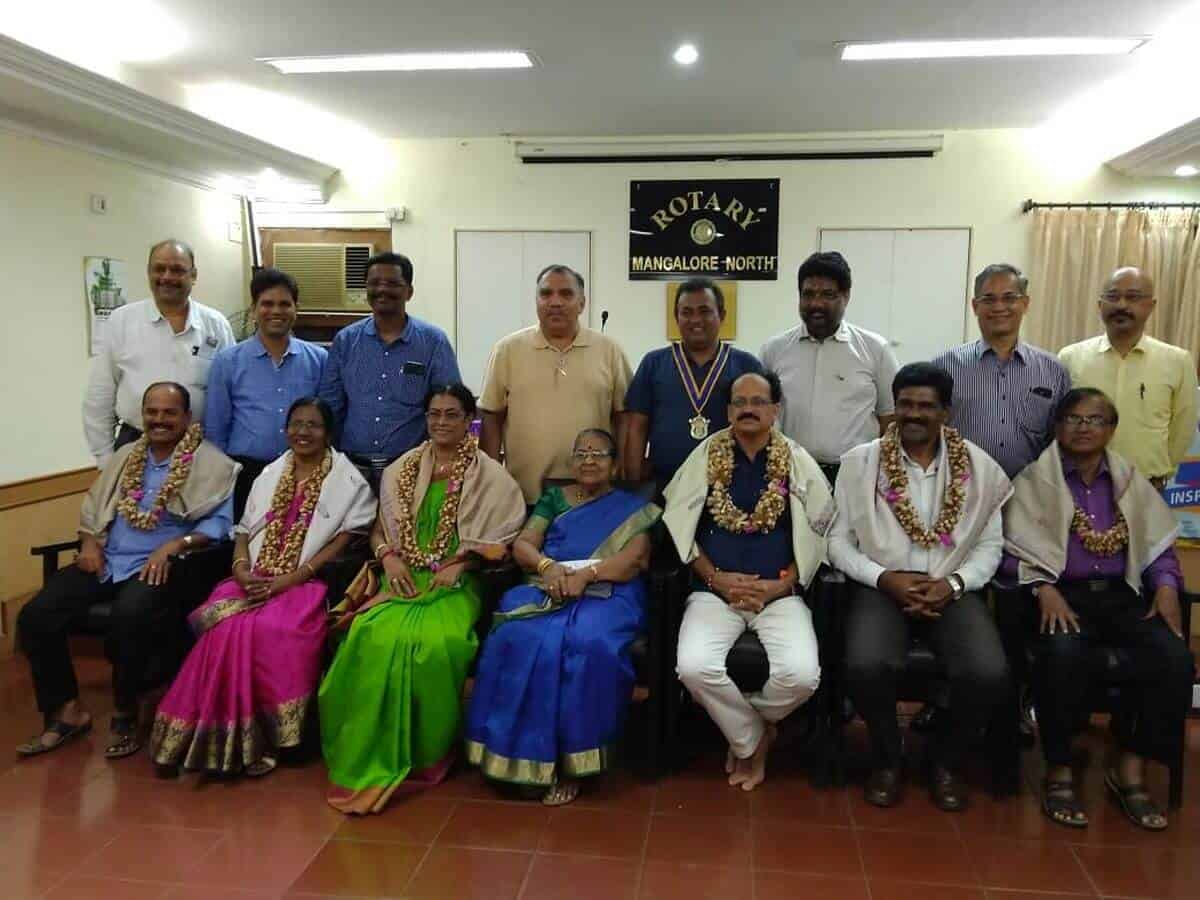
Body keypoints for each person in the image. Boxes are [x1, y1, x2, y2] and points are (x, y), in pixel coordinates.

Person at [321, 384, 526, 814]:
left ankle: (429, 754)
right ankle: (363, 751)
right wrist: (388, 558)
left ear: (469, 420)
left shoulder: (491, 476)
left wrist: (464, 564)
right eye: (434, 414)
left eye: (452, 415)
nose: (441, 423)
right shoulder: (402, 468)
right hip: (403, 575)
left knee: (437, 644)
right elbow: (379, 528)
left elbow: (501, 540)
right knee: (368, 633)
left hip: (456, 580)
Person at [149, 397, 375, 776]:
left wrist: (292, 578)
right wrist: (240, 568)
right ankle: (205, 736)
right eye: (296, 424)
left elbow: (341, 542)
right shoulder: (270, 473)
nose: (303, 432)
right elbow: (243, 532)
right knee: (223, 627)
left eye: (313, 425)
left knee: (273, 629)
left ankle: (270, 740)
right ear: (285, 429)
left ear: (329, 432)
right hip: (253, 576)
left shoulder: (346, 479)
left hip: (306, 582)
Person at [1003, 388, 1194, 831]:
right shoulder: (1034, 481)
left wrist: (1166, 587)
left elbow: (1159, 549)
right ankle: (1060, 770)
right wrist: (1041, 587)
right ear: (1057, 427)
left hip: (1122, 595)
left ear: (1111, 429)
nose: (1083, 428)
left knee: (1173, 659)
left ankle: (1128, 764)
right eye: (1073, 419)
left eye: (1095, 420)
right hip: (1060, 597)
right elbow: (1008, 550)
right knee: (1064, 655)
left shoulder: (1130, 482)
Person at [17, 382, 237, 759]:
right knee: (35, 616)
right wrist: (88, 541)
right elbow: (95, 506)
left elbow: (220, 524)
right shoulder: (126, 457)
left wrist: (176, 545)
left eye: (169, 412)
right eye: (152, 412)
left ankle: (125, 710)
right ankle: (67, 710)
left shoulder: (212, 463)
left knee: (129, 616)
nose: (159, 420)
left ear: (186, 417)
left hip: (162, 566)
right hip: (107, 559)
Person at [828, 363, 1012, 811]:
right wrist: (883, 578)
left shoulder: (980, 468)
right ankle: (888, 758)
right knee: (866, 665)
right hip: (881, 585)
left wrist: (954, 583)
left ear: (946, 412)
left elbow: (991, 546)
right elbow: (836, 542)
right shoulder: (860, 463)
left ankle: (946, 761)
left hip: (952, 587)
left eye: (926, 406)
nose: (914, 414)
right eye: (906, 404)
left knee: (988, 672)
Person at [465, 429, 660, 805]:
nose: (589, 460)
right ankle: (514, 758)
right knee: (516, 637)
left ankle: (570, 765)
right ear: (571, 462)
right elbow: (523, 544)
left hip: (608, 593)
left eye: (599, 454)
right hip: (546, 586)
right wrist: (547, 566)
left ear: (614, 464)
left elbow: (632, 559)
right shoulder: (554, 499)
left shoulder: (634, 509)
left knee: (585, 644)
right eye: (582, 453)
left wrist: (587, 575)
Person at [666, 371, 834, 791]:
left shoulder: (796, 460)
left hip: (779, 595)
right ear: (727, 411)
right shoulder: (706, 455)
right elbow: (679, 526)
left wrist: (780, 586)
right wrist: (716, 579)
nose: (748, 409)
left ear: (775, 410)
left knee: (801, 677)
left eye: (759, 401)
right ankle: (753, 739)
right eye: (739, 402)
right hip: (714, 592)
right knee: (692, 667)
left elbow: (821, 533)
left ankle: (744, 732)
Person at [480, 265, 633, 503]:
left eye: (566, 294)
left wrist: (622, 468)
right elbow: (492, 416)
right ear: (536, 301)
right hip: (523, 496)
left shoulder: (609, 351)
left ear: (582, 303)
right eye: (546, 294)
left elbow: (625, 416)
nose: (555, 302)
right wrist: (489, 479)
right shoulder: (508, 350)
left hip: (594, 496)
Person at [83, 240, 235, 465]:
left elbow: (231, 392)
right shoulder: (121, 322)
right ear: (148, 273)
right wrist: (105, 459)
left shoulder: (216, 325)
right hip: (135, 445)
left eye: (177, 270)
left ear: (193, 275)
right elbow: (99, 396)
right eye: (159, 268)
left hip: (200, 448)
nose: (166, 277)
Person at [318, 252, 460, 492]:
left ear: (409, 291)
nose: (382, 289)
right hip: (351, 472)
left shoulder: (433, 342)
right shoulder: (346, 341)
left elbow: (449, 407)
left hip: (411, 470)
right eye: (374, 283)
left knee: (404, 531)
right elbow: (330, 406)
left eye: (393, 283)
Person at [760, 251, 898, 485]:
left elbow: (890, 418)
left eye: (828, 295)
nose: (816, 304)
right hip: (792, 477)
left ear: (846, 296)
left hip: (856, 478)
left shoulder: (875, 349)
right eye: (808, 294)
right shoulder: (774, 350)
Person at [1059, 267, 1199, 490]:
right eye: (1113, 297)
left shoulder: (1177, 361)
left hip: (1146, 488)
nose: (1122, 305)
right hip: (1079, 487)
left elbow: (1183, 429)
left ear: (1151, 306)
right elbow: (1060, 425)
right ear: (1100, 305)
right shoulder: (1070, 358)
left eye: (1133, 297)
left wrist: (1159, 472)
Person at [204, 268, 327, 520]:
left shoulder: (319, 360)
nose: (276, 311)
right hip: (246, 474)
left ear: (296, 308)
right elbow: (216, 430)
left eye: (285, 304)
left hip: (304, 473)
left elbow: (327, 421)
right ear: (253, 309)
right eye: (267, 304)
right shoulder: (228, 362)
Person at [624, 278, 764, 497]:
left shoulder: (746, 365)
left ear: (722, 315)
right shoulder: (654, 363)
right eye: (686, 312)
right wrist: (633, 483)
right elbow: (637, 426)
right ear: (676, 317)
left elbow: (762, 427)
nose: (696, 319)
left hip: (728, 487)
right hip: (665, 485)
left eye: (705, 311)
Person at [932, 264, 1071, 479]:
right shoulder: (944, 367)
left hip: (1031, 496)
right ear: (975, 306)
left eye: (1009, 298)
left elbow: (1061, 440)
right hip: (962, 493)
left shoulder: (1054, 370)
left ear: (1025, 304)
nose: (999, 307)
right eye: (988, 299)